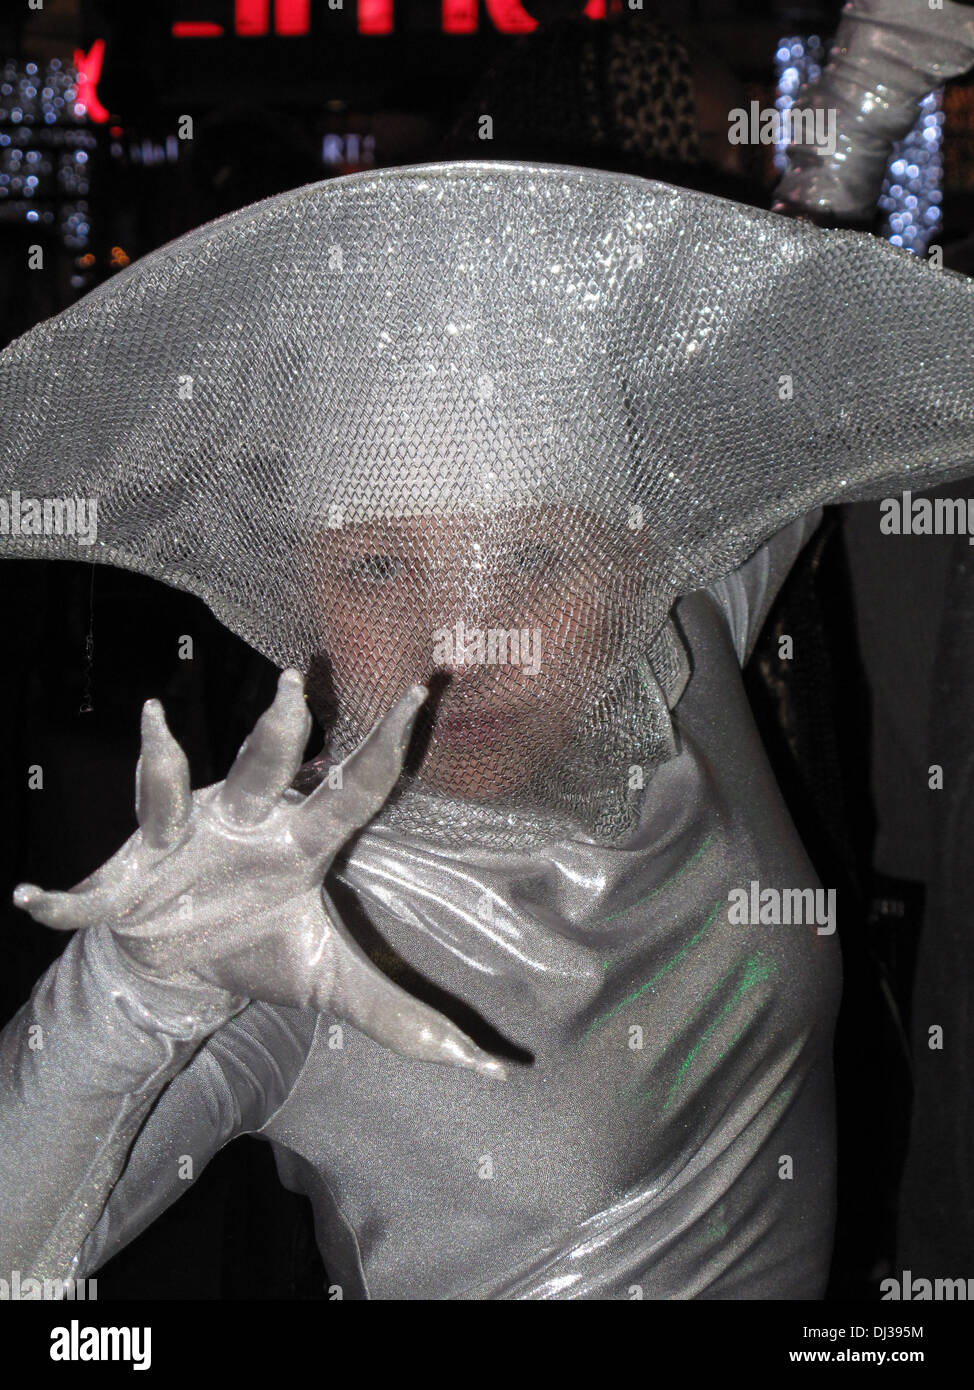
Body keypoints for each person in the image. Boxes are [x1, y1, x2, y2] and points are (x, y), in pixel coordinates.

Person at [2, 152, 974, 1299]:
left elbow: (782, 361)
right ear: (295, 595)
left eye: (533, 557)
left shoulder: (674, 644)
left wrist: (867, 93)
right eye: (375, 567)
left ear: (633, 559)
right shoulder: (296, 924)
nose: (462, 646)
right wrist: (131, 992)